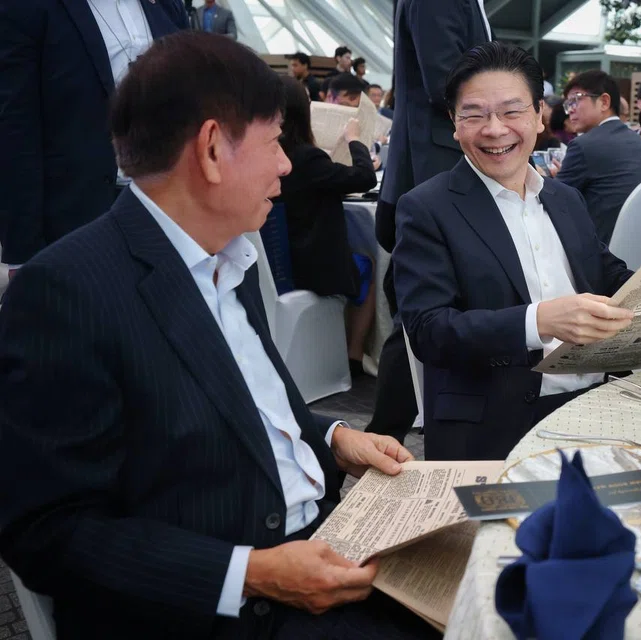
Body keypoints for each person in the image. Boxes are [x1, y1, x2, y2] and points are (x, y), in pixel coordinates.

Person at [0, 32, 435, 639]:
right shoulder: (68, 291)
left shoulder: (228, 257)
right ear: (210, 150)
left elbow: (239, 409)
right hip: (228, 611)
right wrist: (251, 574)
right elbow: (44, 529)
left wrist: (335, 438)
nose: (286, 163)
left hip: (318, 547)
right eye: (275, 140)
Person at [392, 42, 641, 461]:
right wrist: (539, 320)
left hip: (603, 403)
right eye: (474, 114)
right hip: (496, 420)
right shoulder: (427, 208)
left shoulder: (565, 198)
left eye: (511, 111)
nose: (494, 129)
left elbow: (615, 280)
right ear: (454, 123)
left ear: (540, 115)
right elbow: (430, 330)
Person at [367, 0, 492, 445]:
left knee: (429, 306)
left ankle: (391, 434)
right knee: (421, 312)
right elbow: (446, 82)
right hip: (429, 171)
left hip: (430, 167)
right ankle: (380, 439)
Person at [0, 0, 185, 272]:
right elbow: (16, 133)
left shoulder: (167, 5)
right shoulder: (28, 7)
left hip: (166, 210)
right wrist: (23, 253)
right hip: (77, 222)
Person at [275, 76, 378, 378]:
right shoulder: (306, 158)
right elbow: (364, 177)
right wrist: (355, 140)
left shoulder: (273, 155)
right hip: (312, 267)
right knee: (368, 263)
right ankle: (355, 354)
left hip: (278, 263)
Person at [554, 69, 641, 244]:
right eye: (567, 104)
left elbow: (554, 202)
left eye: (576, 100)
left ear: (604, 101)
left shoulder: (584, 145)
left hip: (598, 254)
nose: (570, 110)